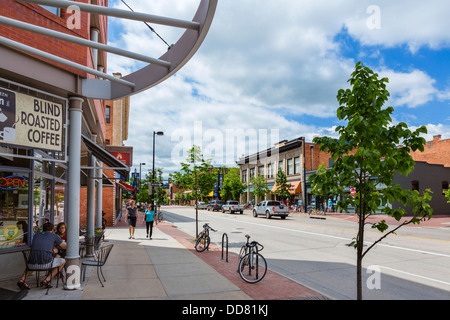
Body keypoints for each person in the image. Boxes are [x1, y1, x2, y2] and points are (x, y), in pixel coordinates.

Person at [17, 222, 66, 290]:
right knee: (63, 261)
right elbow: (64, 246)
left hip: (31, 265)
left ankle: (21, 280)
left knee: (35, 259)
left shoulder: (36, 235)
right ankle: (46, 280)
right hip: (45, 264)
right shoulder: (54, 236)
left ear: (43, 229)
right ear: (52, 229)